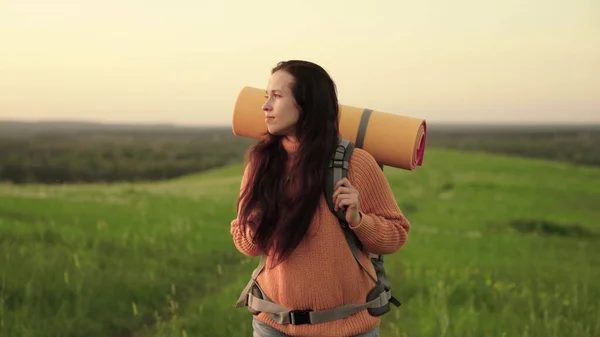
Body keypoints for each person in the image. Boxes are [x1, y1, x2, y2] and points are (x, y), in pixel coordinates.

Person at [230, 60, 411, 337]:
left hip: (349, 327)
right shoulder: (261, 164)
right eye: (267, 96)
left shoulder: (355, 163)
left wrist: (358, 220)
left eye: (276, 96)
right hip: (273, 325)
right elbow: (247, 245)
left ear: (307, 104)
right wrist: (256, 220)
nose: (265, 106)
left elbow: (396, 234)